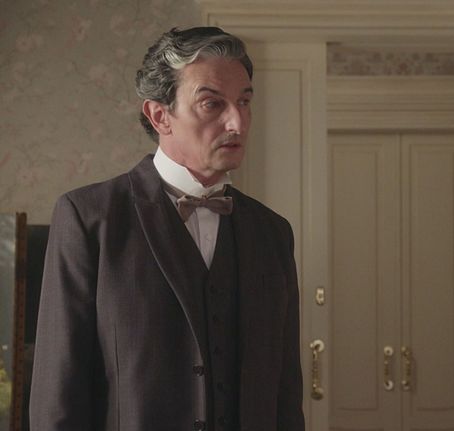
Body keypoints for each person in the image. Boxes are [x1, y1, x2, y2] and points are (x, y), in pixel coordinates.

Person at [29, 27, 304, 431]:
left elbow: (286, 394)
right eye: (212, 103)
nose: (238, 121)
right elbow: (58, 394)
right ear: (160, 116)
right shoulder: (89, 219)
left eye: (244, 102)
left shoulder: (273, 233)